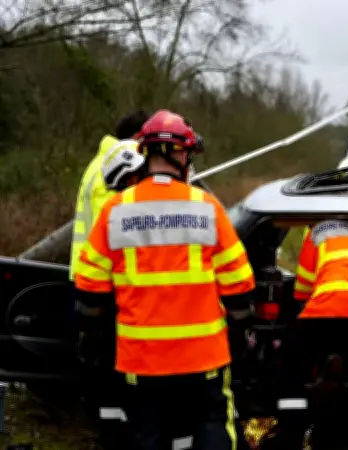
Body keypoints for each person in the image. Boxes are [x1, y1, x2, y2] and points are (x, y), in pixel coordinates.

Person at [73, 109, 256, 450]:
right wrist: (242, 333)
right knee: (212, 424)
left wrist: (92, 341)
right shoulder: (206, 207)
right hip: (203, 357)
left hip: (141, 359)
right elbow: (239, 284)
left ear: (146, 153)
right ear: (181, 155)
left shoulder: (115, 211)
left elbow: (89, 290)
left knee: (146, 433)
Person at [274, 161, 348, 449]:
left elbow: (302, 290)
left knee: (291, 363)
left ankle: (291, 436)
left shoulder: (321, 227)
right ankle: (344, 431)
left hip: (326, 310)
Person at [79, 139, 147, 450]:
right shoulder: (123, 211)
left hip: (124, 311)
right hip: (127, 313)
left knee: (117, 391)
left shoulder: (119, 211)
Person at [69, 110, 150, 282]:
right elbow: (110, 230)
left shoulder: (103, 163)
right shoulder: (113, 170)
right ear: (137, 138)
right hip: (97, 277)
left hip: (91, 271)